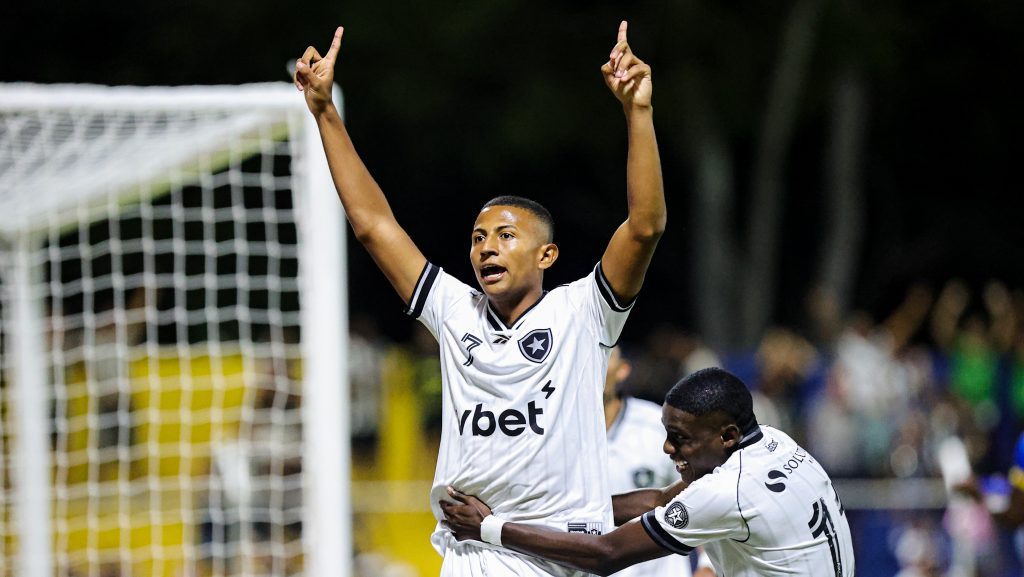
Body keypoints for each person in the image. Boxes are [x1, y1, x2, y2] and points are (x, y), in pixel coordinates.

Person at [294, 20, 666, 577]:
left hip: (558, 557)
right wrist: (325, 113)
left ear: (547, 256)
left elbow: (644, 227)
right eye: (477, 238)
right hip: (472, 554)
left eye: (505, 236)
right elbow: (373, 225)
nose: (486, 248)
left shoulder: (583, 312)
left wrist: (637, 113)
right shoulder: (455, 310)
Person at [440, 367, 855, 577]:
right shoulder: (774, 442)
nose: (668, 449)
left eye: (681, 438)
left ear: (726, 435)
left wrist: (490, 528)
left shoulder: (727, 490)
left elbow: (606, 555)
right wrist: (531, 510)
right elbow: (658, 500)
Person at [604, 347, 712, 577]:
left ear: (623, 370)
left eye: (605, 357)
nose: (596, 366)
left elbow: (702, 494)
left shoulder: (658, 425)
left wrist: (707, 563)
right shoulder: (552, 432)